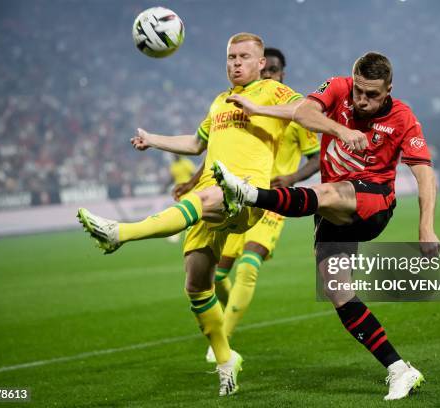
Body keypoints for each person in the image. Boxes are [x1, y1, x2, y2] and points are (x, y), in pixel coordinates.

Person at [76, 33, 303, 396]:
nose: (236, 63)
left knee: (213, 197)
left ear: (261, 64)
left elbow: (304, 109)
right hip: (211, 192)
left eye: (244, 57)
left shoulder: (272, 93)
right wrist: (154, 139)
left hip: (245, 193)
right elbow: (197, 144)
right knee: (197, 285)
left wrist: (259, 110)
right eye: (231, 57)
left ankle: (120, 233)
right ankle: (226, 359)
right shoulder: (218, 101)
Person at [213, 52, 440, 400]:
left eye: (373, 95)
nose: (363, 100)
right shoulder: (337, 87)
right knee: (337, 289)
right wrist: (340, 129)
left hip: (373, 203)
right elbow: (304, 111)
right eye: (359, 91)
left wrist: (426, 227)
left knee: (328, 191)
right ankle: (400, 369)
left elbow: (424, 175)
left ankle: (245, 193)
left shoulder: (403, 118)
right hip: (332, 210)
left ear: (389, 90)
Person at [173, 47, 320, 363]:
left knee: (249, 268)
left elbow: (317, 157)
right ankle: (224, 318)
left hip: (269, 201)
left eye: (275, 70)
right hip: (234, 198)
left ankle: (222, 341)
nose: (269, 75)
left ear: (281, 73)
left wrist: (292, 177)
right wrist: (195, 179)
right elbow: (216, 149)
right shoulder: (242, 106)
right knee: (216, 275)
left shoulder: (291, 116)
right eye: (267, 70)